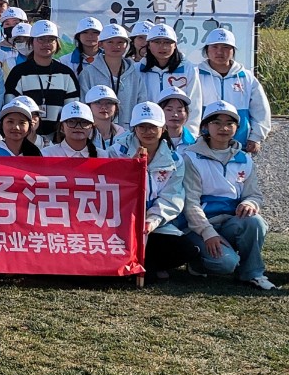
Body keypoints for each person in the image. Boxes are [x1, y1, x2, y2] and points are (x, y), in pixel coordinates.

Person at [182, 101, 276, 290]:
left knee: (255, 221)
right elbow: (190, 203)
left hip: (230, 223)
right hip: (200, 227)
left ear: (237, 128)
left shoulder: (244, 159)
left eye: (229, 123)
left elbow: (254, 194)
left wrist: (250, 203)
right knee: (225, 263)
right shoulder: (191, 157)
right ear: (205, 127)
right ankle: (197, 262)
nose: (223, 128)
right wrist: (208, 233)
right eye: (216, 122)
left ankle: (252, 273)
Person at [109, 101, 200, 279]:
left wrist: (152, 220)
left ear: (163, 128)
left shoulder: (175, 160)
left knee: (186, 250)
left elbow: (172, 197)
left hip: (154, 224)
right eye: (142, 126)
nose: (148, 131)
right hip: (121, 220)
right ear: (134, 128)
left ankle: (146, 265)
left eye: (153, 127)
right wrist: (132, 168)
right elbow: (113, 188)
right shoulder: (117, 152)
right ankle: (142, 267)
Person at [196, 27, 271, 154]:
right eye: (215, 47)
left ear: (233, 50)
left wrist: (256, 137)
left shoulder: (246, 77)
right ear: (207, 49)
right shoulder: (196, 75)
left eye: (226, 47)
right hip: (202, 144)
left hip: (240, 145)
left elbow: (260, 109)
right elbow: (190, 110)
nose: (220, 51)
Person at [2, 20, 78, 141]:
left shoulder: (66, 73)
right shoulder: (18, 72)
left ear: (57, 43)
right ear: (31, 42)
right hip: (24, 139)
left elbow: (72, 109)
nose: (46, 44)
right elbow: (10, 107)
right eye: (41, 39)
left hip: (58, 141)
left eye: (51, 40)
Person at [139, 24, 202, 136]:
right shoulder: (137, 70)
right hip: (147, 133)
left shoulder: (188, 69)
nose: (162, 47)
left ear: (175, 45)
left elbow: (194, 104)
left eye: (167, 42)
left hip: (178, 133)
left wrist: (190, 135)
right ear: (148, 45)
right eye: (157, 42)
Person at [78, 23, 141, 117]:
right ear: (101, 44)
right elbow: (84, 104)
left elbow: (141, 101)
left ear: (127, 45)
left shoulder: (135, 73)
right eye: (110, 42)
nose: (116, 46)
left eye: (120, 42)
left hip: (129, 125)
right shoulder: (88, 73)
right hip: (97, 125)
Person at [83, 85, 121, 155]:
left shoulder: (125, 135)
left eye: (109, 103)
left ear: (116, 107)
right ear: (88, 106)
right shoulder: (83, 134)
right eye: (98, 102)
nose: (103, 107)